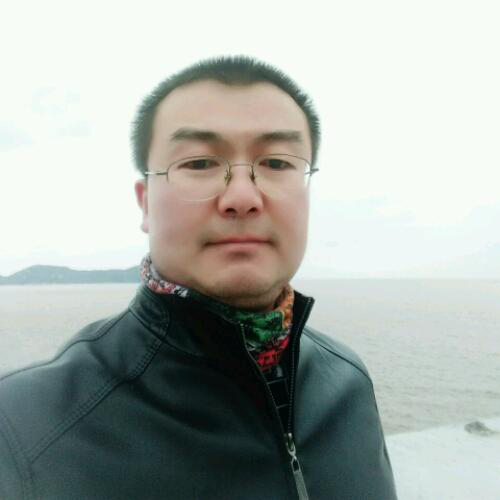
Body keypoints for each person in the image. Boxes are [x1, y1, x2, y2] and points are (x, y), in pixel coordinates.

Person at [0, 56, 398, 499]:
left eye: (277, 162)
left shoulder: (347, 382)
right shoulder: (22, 427)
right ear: (145, 202)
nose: (242, 196)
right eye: (199, 162)